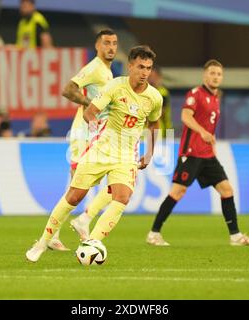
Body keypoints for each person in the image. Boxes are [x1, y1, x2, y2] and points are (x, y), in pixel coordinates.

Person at [26, 45, 163, 262]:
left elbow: (154, 124)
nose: (145, 72)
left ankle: (93, 242)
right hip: (102, 149)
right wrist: (95, 129)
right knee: (74, 197)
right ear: (130, 66)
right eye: (140, 67)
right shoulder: (115, 86)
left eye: (148, 68)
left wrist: (150, 153)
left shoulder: (154, 97)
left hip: (126, 155)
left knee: (122, 197)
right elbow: (90, 113)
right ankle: (42, 243)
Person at [146, 59, 249, 247]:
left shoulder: (216, 98)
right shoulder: (195, 94)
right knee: (177, 191)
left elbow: (210, 128)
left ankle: (235, 236)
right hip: (191, 153)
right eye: (212, 73)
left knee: (227, 190)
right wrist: (202, 132)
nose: (215, 77)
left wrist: (210, 143)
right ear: (204, 75)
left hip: (207, 155)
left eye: (219, 74)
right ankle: (154, 233)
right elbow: (185, 116)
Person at [45, 29, 118, 251]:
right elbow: (68, 90)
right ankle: (55, 234)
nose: (111, 47)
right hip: (84, 134)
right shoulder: (95, 67)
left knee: (115, 182)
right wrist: (89, 104)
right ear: (97, 46)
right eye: (106, 43)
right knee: (77, 187)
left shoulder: (107, 72)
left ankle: (82, 220)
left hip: (97, 134)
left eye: (115, 43)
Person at [148, 65, 172, 138]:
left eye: (153, 77)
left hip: (158, 131)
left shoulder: (163, 93)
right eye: (149, 77)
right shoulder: (143, 92)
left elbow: (161, 113)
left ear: (159, 77)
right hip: (144, 132)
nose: (151, 80)